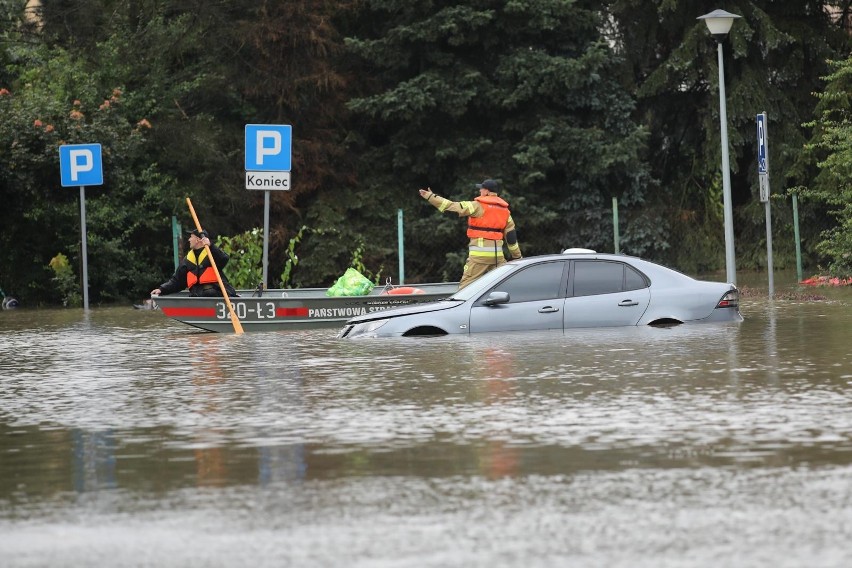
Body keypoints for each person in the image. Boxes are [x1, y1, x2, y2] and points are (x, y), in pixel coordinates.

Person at [418, 178, 522, 289]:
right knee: (502, 286)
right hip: (498, 257)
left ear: (487, 191)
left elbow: (451, 206)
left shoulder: (476, 206)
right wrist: (517, 257)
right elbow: (511, 237)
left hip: (479, 257)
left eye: (481, 189)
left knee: (465, 288)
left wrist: (431, 197)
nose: (479, 191)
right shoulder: (505, 211)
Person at [150, 229, 238, 297]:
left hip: (217, 294)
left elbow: (224, 259)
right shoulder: (187, 260)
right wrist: (162, 289)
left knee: (209, 292)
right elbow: (177, 281)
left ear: (198, 239)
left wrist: (210, 245)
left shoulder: (212, 254)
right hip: (198, 296)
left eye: (191, 237)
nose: (189, 240)